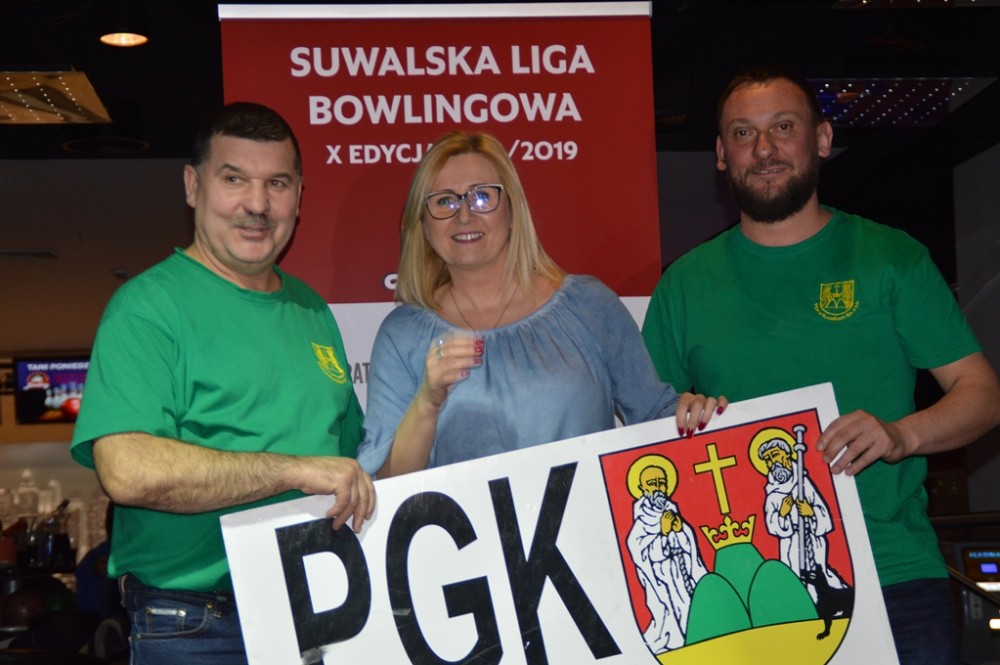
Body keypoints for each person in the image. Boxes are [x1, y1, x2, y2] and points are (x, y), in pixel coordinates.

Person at [641, 64, 1000, 665]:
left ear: (823, 139)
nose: (764, 149)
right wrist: (679, 416)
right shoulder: (682, 286)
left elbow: (982, 393)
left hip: (894, 577)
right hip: (750, 596)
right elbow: (641, 430)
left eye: (784, 127)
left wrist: (900, 435)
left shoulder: (892, 259)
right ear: (722, 156)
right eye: (742, 133)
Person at [70, 101, 375, 664]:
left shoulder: (311, 310)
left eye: (276, 183)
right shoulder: (148, 308)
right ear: (193, 186)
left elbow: (354, 457)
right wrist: (292, 469)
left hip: (318, 611)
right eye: (234, 179)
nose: (257, 205)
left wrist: (429, 399)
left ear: (299, 197)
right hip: (199, 628)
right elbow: (126, 470)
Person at [357, 130, 724, 477]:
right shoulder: (402, 335)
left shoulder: (590, 305)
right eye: (444, 201)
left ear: (512, 210)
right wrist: (427, 403)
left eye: (482, 196)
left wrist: (693, 415)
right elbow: (387, 484)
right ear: (423, 225)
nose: (464, 215)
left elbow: (656, 419)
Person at [626, 463, 707, 653]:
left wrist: (680, 531)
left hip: (684, 576)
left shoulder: (673, 512)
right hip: (664, 583)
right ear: (642, 489)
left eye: (661, 483)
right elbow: (643, 555)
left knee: (693, 609)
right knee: (674, 618)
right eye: (652, 483)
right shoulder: (641, 525)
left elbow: (690, 548)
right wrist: (662, 532)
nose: (657, 488)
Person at [757, 435, 846, 595]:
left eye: (775, 454)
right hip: (791, 545)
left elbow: (824, 515)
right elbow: (772, 525)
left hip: (812, 541)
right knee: (795, 579)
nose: (772, 462)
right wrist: (782, 514)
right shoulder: (773, 494)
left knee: (819, 576)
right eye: (768, 459)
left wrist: (810, 512)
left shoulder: (803, 483)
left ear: (786, 454)